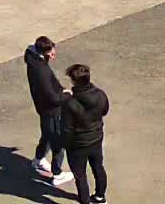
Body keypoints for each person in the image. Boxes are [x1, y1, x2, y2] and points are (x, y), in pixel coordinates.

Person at [24, 36, 73, 186]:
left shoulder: (34, 61)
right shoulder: (41, 71)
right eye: (51, 52)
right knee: (57, 141)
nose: (54, 54)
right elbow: (53, 98)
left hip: (43, 107)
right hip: (51, 110)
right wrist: (66, 95)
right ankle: (57, 174)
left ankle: (38, 159)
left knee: (47, 134)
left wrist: (60, 89)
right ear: (43, 53)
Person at [60, 63, 110, 204]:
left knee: (80, 176)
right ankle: (100, 197)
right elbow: (105, 110)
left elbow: (67, 129)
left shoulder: (70, 103)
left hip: (78, 145)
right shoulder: (100, 94)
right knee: (98, 167)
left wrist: (65, 144)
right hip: (96, 138)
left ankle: (85, 201)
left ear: (74, 81)